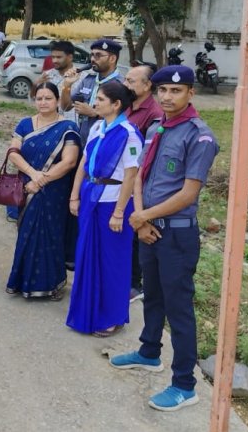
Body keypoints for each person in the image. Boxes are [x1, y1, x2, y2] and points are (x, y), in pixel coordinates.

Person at [110, 65, 219, 413]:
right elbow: (140, 175)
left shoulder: (199, 136)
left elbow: (188, 193)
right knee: (152, 295)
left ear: (190, 93)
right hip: (149, 228)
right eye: (163, 92)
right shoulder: (157, 127)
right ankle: (148, 351)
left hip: (177, 234)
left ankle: (185, 385)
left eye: (176, 91)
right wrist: (140, 218)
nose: (168, 97)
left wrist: (145, 216)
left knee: (179, 308)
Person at [66, 81, 142, 338]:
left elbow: (131, 176)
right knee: (87, 254)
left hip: (113, 200)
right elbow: (84, 163)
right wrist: (74, 195)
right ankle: (87, 311)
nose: (95, 103)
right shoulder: (98, 127)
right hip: (91, 195)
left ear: (116, 104)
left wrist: (120, 212)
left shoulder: (129, 133)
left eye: (99, 99)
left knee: (113, 260)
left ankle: (113, 316)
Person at [4, 83, 81, 300]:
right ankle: (21, 280)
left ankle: (52, 283)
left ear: (57, 100)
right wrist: (33, 174)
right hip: (27, 185)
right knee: (26, 233)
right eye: (39, 98)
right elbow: (13, 152)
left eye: (48, 98)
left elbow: (69, 162)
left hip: (54, 190)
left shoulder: (68, 127)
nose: (43, 102)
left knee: (51, 233)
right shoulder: (25, 124)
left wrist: (41, 181)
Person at [60, 38, 123, 269]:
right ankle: (73, 253)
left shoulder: (120, 86)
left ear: (113, 58)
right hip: (81, 146)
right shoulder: (87, 79)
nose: (93, 59)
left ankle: (89, 256)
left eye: (98, 55)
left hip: (106, 155)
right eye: (92, 55)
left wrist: (94, 113)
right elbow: (66, 106)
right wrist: (67, 86)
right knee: (75, 199)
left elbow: (123, 119)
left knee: (96, 202)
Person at [123, 62, 163, 301]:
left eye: (131, 81)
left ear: (148, 85)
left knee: (137, 234)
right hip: (122, 181)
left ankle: (136, 284)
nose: (126, 84)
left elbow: (148, 157)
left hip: (139, 183)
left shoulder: (154, 114)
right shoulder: (126, 106)